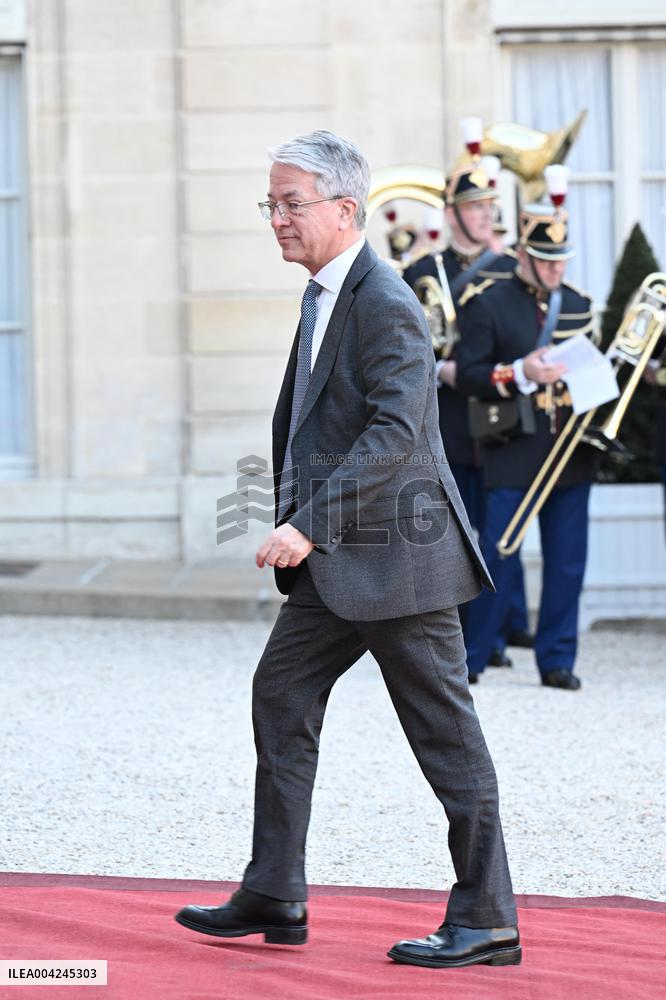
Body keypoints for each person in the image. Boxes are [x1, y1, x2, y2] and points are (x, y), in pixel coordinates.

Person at [174, 130, 520, 969]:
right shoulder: (325, 291)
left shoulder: (387, 300)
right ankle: (275, 889)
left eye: (290, 204)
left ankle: (489, 917)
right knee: (281, 694)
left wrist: (305, 524)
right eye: (272, 204)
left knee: (444, 736)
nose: (277, 220)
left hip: (399, 561)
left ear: (344, 208)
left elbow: (398, 433)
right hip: (340, 565)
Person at [457, 202, 597, 690]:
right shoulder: (488, 302)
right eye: (546, 259)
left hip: (570, 451)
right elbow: (470, 376)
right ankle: (473, 655)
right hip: (513, 449)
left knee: (567, 561)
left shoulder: (579, 304)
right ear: (522, 254)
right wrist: (520, 373)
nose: (557, 269)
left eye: (562, 260)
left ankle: (557, 659)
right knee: (498, 553)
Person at [403, 164, 531, 670]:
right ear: (453, 213)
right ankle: (454, 635)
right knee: (451, 535)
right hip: (449, 418)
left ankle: (496, 635)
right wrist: (441, 370)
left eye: (489, 207)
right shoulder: (423, 272)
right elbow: (410, 344)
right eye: (476, 207)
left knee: (499, 530)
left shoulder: (508, 269)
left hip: (500, 416)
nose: (486, 215)